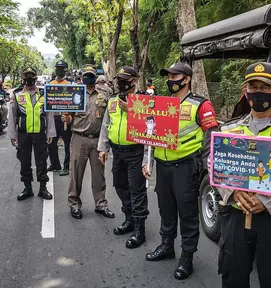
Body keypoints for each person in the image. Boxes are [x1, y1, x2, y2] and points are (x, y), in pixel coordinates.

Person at [143, 62, 218, 280]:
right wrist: (147, 161)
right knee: (165, 209)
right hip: (163, 166)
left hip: (186, 167)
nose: (170, 80)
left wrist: (206, 168)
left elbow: (211, 138)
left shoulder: (201, 105)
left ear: (186, 79)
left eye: (174, 76)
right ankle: (167, 246)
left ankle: (187, 256)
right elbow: (150, 133)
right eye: (169, 76)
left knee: (187, 215)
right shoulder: (161, 104)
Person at [214, 62, 271, 288]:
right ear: (245, 90)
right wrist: (234, 191)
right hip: (235, 218)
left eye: (265, 87)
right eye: (253, 86)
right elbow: (217, 169)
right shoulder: (229, 130)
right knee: (233, 276)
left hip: (268, 219)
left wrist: (265, 201)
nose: (258, 92)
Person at [98, 66, 149, 249]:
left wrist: (132, 110)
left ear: (134, 80)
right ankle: (129, 219)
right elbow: (106, 125)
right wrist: (103, 149)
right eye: (119, 78)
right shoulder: (112, 101)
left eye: (124, 79)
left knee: (137, 190)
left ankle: (139, 229)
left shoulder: (144, 100)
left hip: (135, 151)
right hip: (117, 152)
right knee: (120, 186)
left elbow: (153, 127)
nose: (120, 82)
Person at [62, 64, 114, 219]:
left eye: (91, 75)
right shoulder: (75, 93)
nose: (88, 77)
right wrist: (67, 118)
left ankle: (101, 204)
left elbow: (110, 115)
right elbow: (70, 116)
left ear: (95, 76)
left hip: (98, 139)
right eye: (86, 75)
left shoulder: (105, 93)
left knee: (99, 175)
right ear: (81, 77)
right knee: (76, 173)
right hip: (79, 138)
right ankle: (74, 204)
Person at [7, 68, 56, 201]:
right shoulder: (17, 95)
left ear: (35, 78)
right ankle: (27, 188)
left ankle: (42, 188)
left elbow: (49, 114)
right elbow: (12, 115)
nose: (29, 79)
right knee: (24, 161)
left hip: (40, 134)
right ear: (23, 78)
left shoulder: (43, 94)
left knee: (42, 161)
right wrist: (13, 135)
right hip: (23, 135)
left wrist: (50, 133)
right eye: (27, 77)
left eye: (31, 77)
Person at [48, 60, 72, 176]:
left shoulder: (70, 85)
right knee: (51, 142)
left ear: (65, 70)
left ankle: (66, 166)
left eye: (62, 68)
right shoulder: (50, 84)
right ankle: (55, 164)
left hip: (65, 119)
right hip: (53, 118)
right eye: (58, 68)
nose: (59, 70)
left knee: (67, 143)